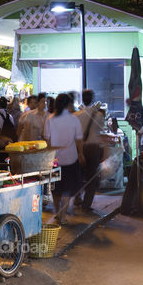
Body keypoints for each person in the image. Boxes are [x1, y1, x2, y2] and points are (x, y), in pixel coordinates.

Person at [43, 93, 86, 224]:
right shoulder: (74, 119)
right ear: (69, 104)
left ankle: (57, 213)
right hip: (70, 158)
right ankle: (62, 217)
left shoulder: (50, 119)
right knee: (67, 189)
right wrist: (81, 154)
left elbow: (46, 138)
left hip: (54, 159)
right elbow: (78, 140)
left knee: (56, 188)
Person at [75, 89, 106, 212]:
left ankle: (77, 197)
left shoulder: (77, 115)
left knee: (79, 175)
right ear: (92, 99)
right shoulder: (99, 115)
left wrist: (80, 153)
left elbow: (75, 135)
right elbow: (101, 130)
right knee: (92, 177)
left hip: (80, 148)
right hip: (93, 148)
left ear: (82, 99)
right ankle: (86, 205)